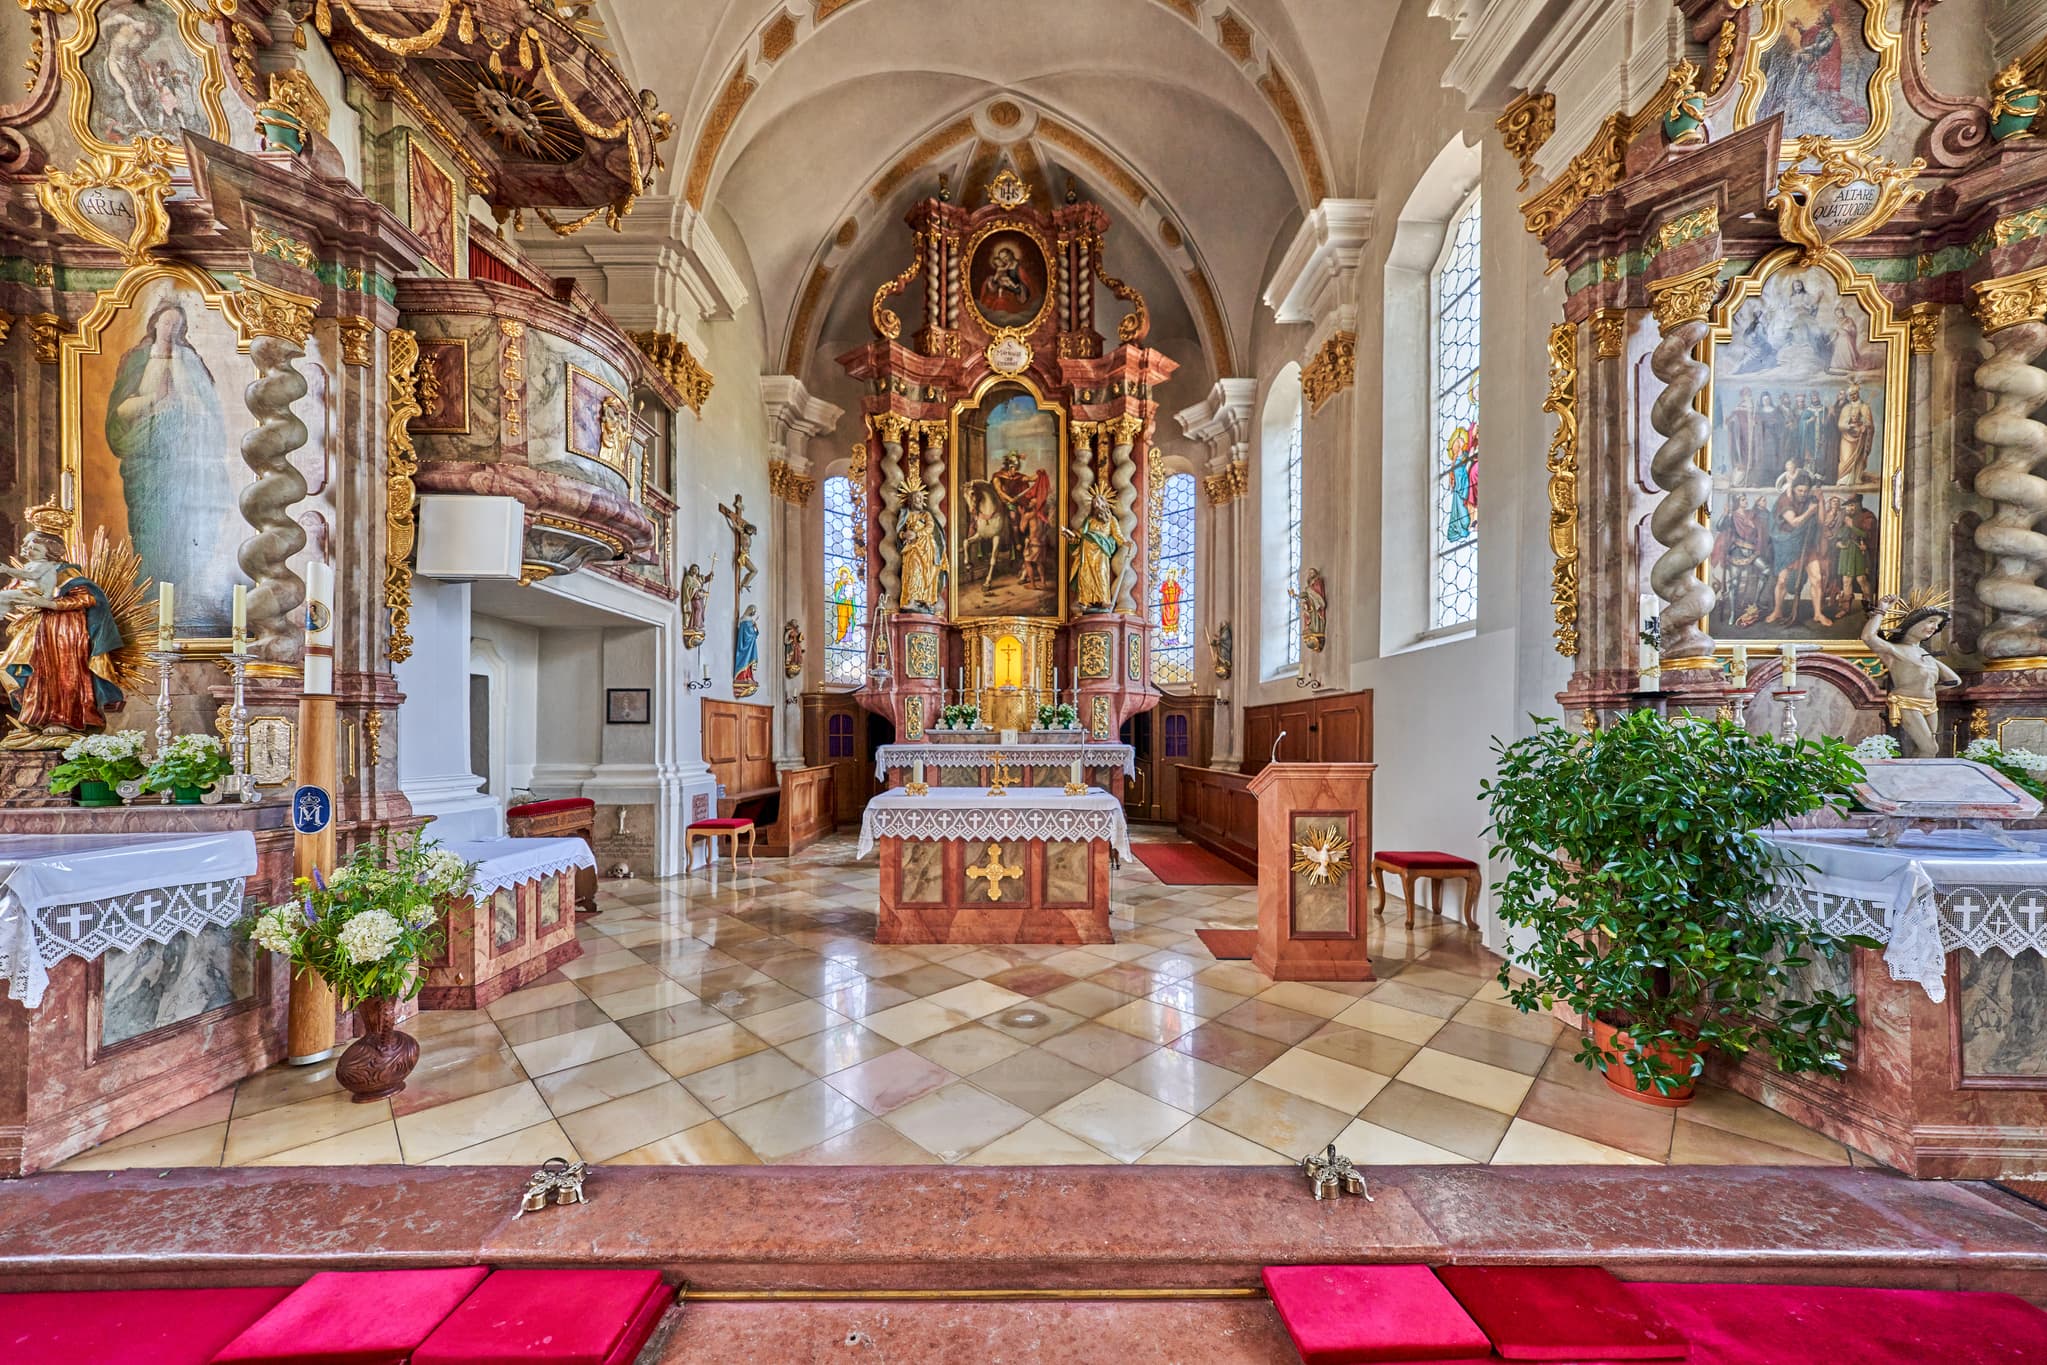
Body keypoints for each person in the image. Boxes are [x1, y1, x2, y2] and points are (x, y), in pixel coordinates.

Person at [105, 298, 234, 622]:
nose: (170, 329)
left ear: (182, 330)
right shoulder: (136, 360)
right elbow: (119, 413)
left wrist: (183, 408)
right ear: (154, 324)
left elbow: (209, 411)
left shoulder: (190, 361)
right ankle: (147, 601)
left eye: (177, 325)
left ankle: (175, 601)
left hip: (180, 464)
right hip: (144, 461)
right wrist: (153, 402)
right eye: (165, 323)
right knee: (147, 528)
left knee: (179, 527)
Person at [0, 510, 128, 749]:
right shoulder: (31, 571)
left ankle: (63, 719)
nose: (26, 551)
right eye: (25, 546)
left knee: (62, 674)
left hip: (65, 632)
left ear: (50, 551)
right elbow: (14, 593)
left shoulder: (68, 573)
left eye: (33, 548)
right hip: (36, 630)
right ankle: (37, 717)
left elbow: (87, 599)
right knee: (33, 672)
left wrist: (50, 603)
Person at [1862, 594, 1959, 758]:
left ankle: (1916, 781)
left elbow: (1954, 681)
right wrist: (1882, 610)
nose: (1934, 627)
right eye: (1931, 621)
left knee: (1927, 750)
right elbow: (1868, 637)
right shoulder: (1896, 651)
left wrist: (1930, 689)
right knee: (1930, 748)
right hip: (1908, 703)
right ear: (1913, 623)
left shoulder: (1925, 654)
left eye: (1937, 624)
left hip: (1930, 705)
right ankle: (1914, 781)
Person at [1766, 473, 1831, 628]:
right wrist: (1809, 511)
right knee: (1782, 580)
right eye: (1800, 490)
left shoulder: (1810, 499)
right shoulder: (1785, 500)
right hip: (1788, 545)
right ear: (1794, 488)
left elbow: (1821, 521)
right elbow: (1794, 522)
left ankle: (1817, 614)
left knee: (1817, 579)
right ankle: (1777, 611)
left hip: (1807, 544)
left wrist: (1820, 501)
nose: (1802, 494)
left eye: (1805, 491)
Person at [1061, 488, 1122, 612]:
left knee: (1101, 573)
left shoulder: (1111, 520)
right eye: (1095, 504)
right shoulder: (1089, 520)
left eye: (1099, 503)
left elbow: (1117, 535)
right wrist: (1068, 533)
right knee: (1085, 576)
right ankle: (1085, 601)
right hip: (1086, 551)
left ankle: (1104, 600)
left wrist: (1126, 543)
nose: (1097, 506)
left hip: (1101, 551)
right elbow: (1079, 535)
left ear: (1105, 504)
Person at [895, 469, 944, 611]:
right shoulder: (906, 514)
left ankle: (927, 599)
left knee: (927, 573)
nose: (920, 501)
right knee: (913, 571)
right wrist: (904, 535)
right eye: (917, 498)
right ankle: (911, 599)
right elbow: (900, 532)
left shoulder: (926, 515)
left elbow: (930, 528)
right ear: (910, 500)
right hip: (912, 548)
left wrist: (916, 533)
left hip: (927, 547)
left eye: (922, 499)